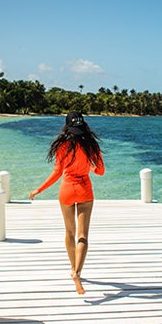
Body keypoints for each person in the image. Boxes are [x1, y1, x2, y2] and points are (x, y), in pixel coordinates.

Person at [29, 112, 105, 294]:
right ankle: (78, 271)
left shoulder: (62, 146)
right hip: (85, 189)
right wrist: (91, 168)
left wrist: (39, 189)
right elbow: (101, 171)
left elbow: (57, 173)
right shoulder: (92, 145)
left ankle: (72, 268)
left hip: (67, 190)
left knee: (69, 233)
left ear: (67, 127)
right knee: (83, 236)